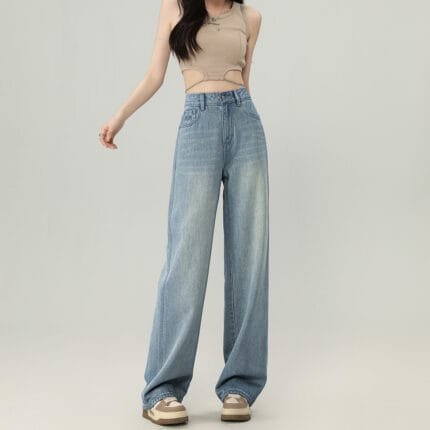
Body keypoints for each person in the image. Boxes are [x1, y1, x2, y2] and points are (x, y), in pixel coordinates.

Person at [98, 0, 268, 425]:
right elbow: (155, 75)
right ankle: (162, 390)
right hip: (198, 124)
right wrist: (120, 116)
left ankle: (240, 384)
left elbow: (245, 83)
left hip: (245, 125)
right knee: (185, 260)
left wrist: (240, 116)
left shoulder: (250, 18)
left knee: (249, 259)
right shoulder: (175, 8)